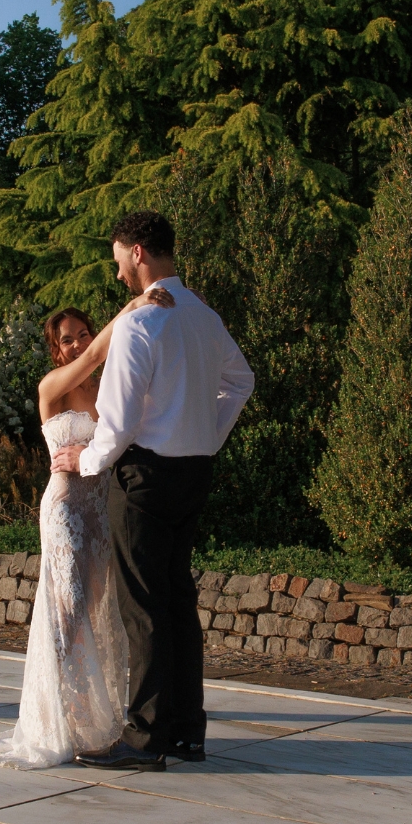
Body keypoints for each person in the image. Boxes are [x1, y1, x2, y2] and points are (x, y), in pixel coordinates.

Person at [0, 284, 173, 769]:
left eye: (84, 334)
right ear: (55, 347)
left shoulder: (106, 390)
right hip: (65, 511)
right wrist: (133, 307)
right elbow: (93, 360)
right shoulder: (52, 387)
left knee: (100, 613)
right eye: (69, 339)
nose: (80, 343)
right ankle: (58, 721)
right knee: (68, 613)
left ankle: (94, 722)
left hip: (101, 512)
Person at [50, 210, 253, 772]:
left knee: (143, 610)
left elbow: (114, 425)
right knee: (178, 602)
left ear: (138, 252)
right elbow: (242, 381)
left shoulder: (142, 327)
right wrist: (208, 433)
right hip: (194, 473)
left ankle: (144, 739)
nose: (117, 274)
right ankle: (188, 732)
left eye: (118, 260)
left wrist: (86, 460)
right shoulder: (205, 317)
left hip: (143, 479)